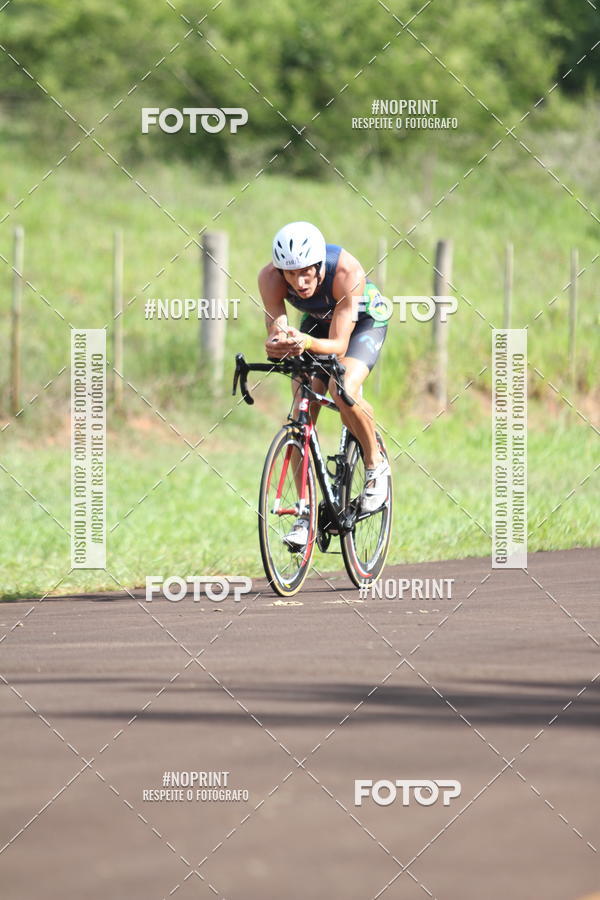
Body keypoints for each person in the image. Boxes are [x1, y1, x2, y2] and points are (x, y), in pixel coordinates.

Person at [258, 221, 390, 550]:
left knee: (342, 388)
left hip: (363, 322)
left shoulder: (346, 272)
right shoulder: (270, 278)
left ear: (318, 266)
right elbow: (277, 327)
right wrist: (276, 343)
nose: (298, 282)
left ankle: (375, 466)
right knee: (300, 412)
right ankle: (304, 514)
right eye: (290, 274)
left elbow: (339, 346)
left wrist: (303, 342)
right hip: (317, 324)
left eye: (305, 273)